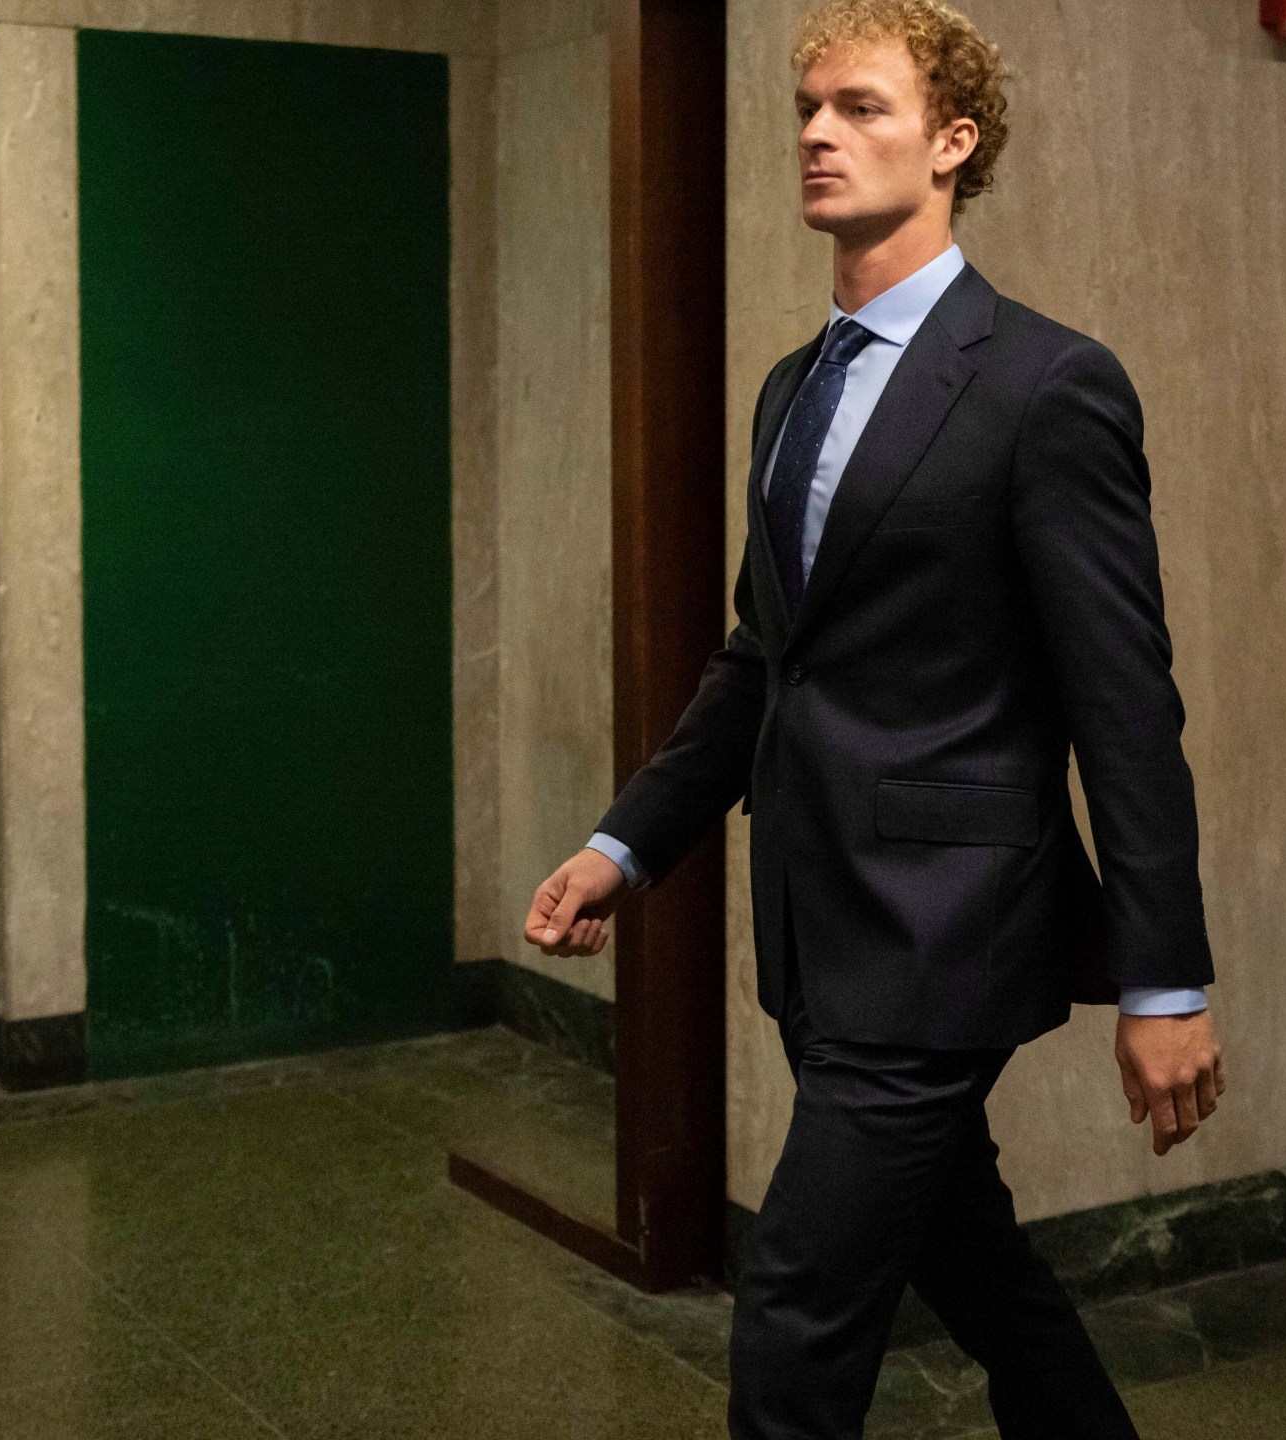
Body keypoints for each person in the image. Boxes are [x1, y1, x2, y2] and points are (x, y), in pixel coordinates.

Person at [520, 3, 1223, 1435]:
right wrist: (626, 844)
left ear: (953, 142)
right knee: (973, 1262)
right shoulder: (795, 387)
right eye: (807, 110)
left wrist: (1166, 984)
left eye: (860, 108)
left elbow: (1125, 705)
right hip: (817, 916)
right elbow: (762, 662)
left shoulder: (1046, 384)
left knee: (797, 1303)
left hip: (947, 929)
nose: (818, 136)